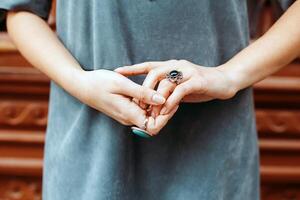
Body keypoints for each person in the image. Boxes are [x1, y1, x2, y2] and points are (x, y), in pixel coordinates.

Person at [1, 0, 299, 199]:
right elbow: (21, 10)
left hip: (214, 155)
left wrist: (229, 76)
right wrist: (75, 79)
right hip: (90, 154)